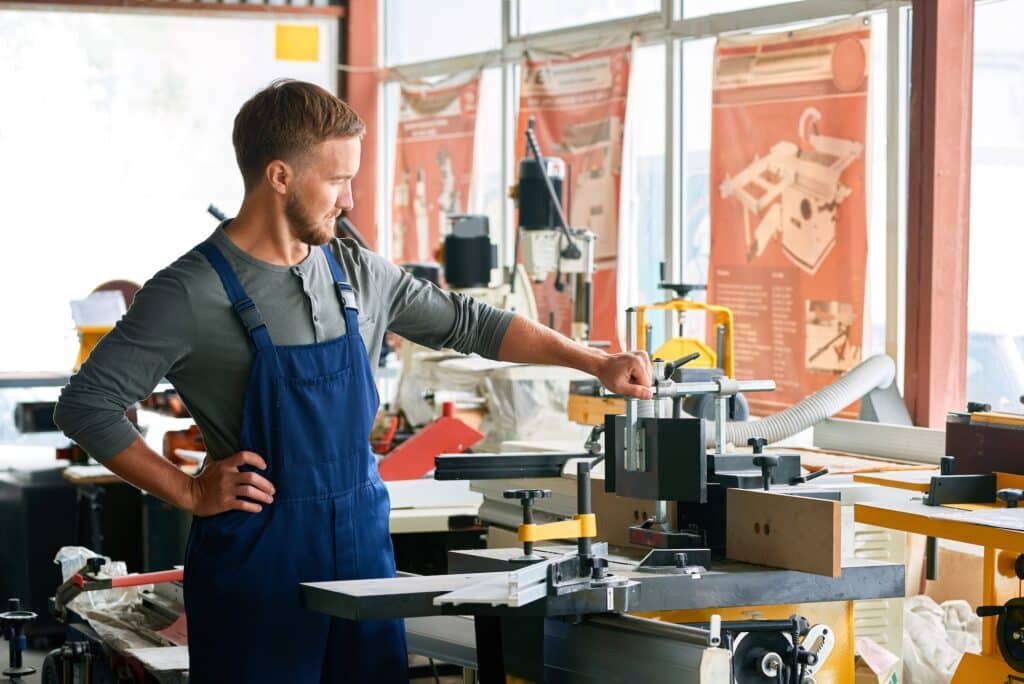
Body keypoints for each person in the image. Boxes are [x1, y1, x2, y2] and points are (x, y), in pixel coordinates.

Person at [53, 79, 653, 683]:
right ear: (280, 176)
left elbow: (472, 324)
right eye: (337, 180)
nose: (350, 200)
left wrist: (595, 363)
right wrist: (187, 493)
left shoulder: (356, 272)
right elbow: (86, 405)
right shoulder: (190, 292)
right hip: (259, 565)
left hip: (362, 552)